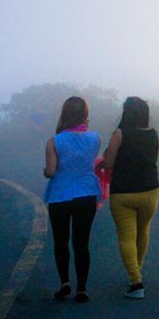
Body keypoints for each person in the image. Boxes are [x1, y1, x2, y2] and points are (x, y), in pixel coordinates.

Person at [43, 96, 102, 303]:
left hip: (60, 195)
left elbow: (51, 172)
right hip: (86, 193)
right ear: (85, 115)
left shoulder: (54, 141)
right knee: (81, 242)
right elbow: (88, 161)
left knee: (61, 241)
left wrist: (46, 171)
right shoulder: (95, 138)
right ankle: (82, 288)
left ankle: (65, 283)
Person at [102, 96, 159, 299]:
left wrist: (106, 155)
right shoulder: (153, 134)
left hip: (123, 192)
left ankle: (136, 282)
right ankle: (136, 271)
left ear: (126, 113)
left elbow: (108, 163)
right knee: (143, 231)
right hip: (150, 191)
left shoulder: (119, 134)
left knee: (127, 237)